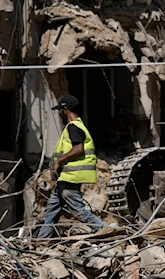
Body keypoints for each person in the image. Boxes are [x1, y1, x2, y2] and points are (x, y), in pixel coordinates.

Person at [37, 95, 104, 238]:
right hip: (64, 180)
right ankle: (41, 241)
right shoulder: (74, 126)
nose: (59, 113)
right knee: (51, 212)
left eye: (60, 110)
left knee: (78, 211)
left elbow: (79, 149)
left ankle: (103, 230)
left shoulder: (73, 127)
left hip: (70, 179)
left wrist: (58, 161)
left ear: (65, 110)